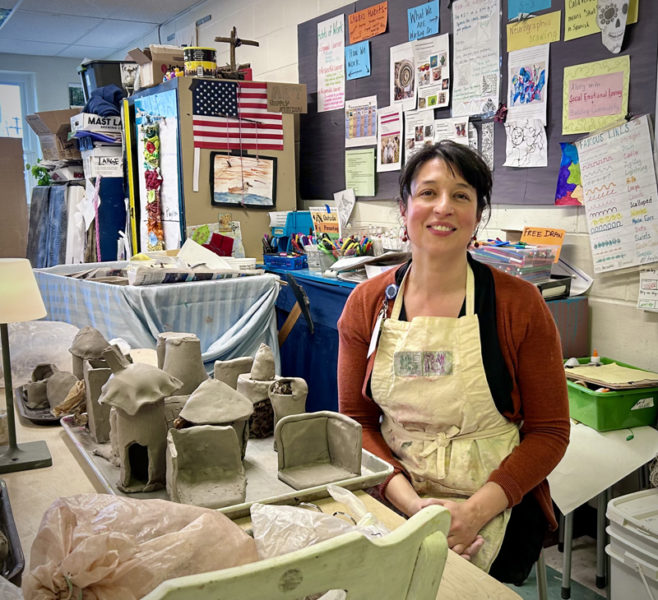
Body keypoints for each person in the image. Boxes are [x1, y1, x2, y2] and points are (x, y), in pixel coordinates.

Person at [337, 141, 570, 584]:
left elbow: (550, 431)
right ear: (404, 207)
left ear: (478, 214)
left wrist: (471, 513)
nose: (443, 207)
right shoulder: (367, 304)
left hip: (496, 503)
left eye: (461, 195)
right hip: (395, 490)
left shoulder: (518, 305)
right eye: (428, 193)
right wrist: (412, 506)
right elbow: (358, 422)